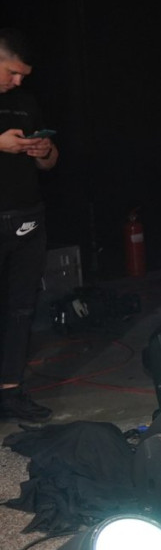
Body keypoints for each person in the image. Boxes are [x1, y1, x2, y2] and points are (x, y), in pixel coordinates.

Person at [0, 28, 58, 423]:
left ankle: (11, 391)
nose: (18, 81)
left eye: (23, 75)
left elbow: (49, 163)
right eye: (12, 72)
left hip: (27, 217)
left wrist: (44, 150)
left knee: (21, 308)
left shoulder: (25, 101)